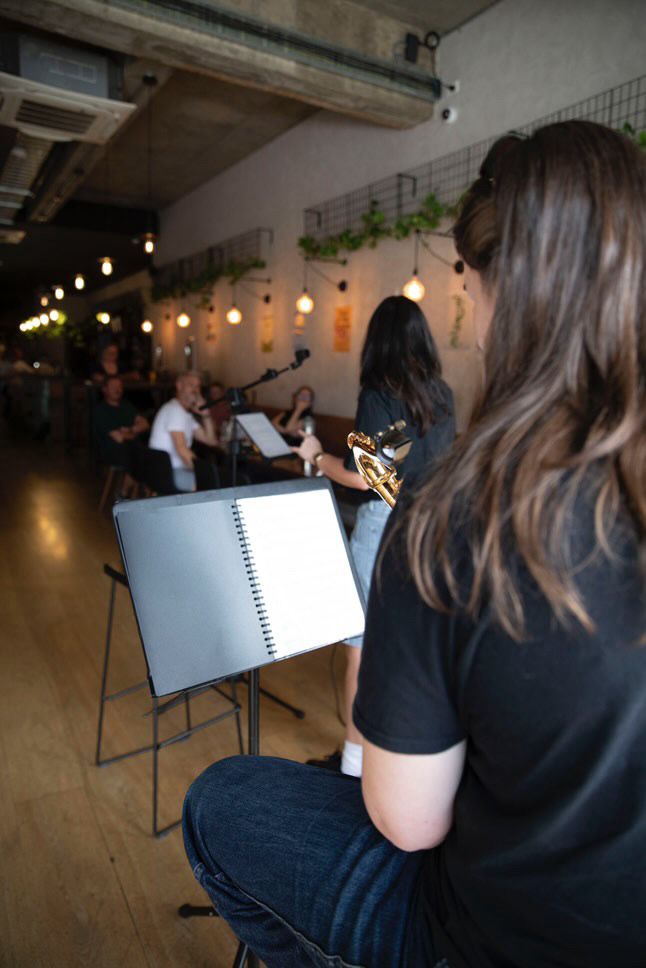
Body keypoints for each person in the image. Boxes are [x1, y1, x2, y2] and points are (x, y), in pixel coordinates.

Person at [181, 121, 646, 967]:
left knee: (222, 799)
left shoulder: (441, 501)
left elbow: (409, 823)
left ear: (508, 289)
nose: (463, 313)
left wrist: (317, 457)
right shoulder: (432, 393)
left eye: (465, 284)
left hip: (491, 933)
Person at [296, 296, 455, 778]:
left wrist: (317, 456)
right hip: (430, 527)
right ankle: (398, 761)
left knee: (361, 649)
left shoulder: (378, 394)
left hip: (384, 526)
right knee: (409, 644)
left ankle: (352, 767)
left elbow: (368, 478)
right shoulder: (441, 394)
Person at [148, 371, 218, 491]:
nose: (195, 390)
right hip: (167, 473)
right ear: (179, 386)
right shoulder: (175, 411)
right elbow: (182, 450)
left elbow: (211, 441)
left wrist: (206, 415)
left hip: (170, 470)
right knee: (210, 485)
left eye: (198, 386)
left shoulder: (185, 414)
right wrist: (205, 473)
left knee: (213, 481)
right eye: (191, 385)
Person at [94, 375, 149, 495]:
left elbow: (144, 423)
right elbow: (118, 438)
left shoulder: (126, 406)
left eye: (119, 386)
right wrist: (134, 431)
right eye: (113, 386)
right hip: (112, 451)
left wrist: (129, 431)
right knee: (137, 456)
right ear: (104, 389)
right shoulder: (100, 411)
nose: (117, 389)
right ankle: (125, 492)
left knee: (149, 454)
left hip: (132, 447)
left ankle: (141, 489)